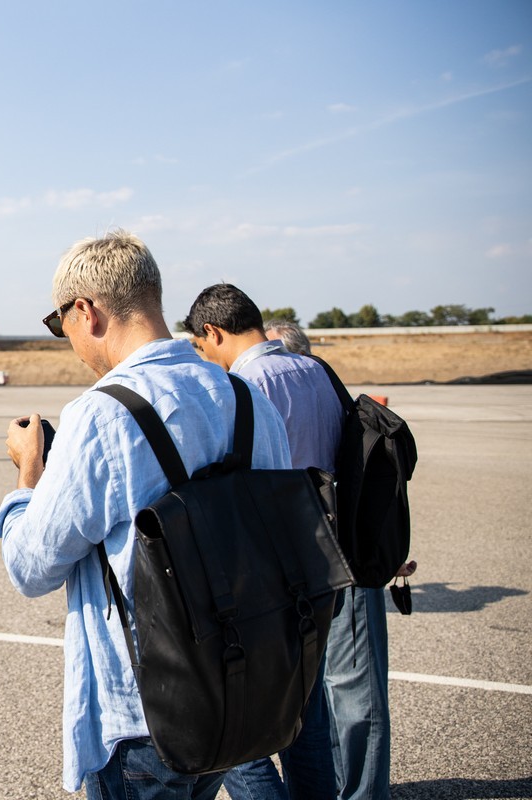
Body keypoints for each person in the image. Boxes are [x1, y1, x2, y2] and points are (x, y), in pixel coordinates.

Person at [0, 232, 292, 799]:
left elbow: (31, 567)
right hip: (240, 690)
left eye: (62, 325)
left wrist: (29, 472)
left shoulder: (101, 416)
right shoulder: (249, 400)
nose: (69, 341)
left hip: (146, 714)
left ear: (87, 311)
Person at [184, 284, 409, 800]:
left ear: (214, 333)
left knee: (258, 709)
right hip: (341, 554)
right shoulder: (319, 372)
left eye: (202, 345)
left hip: (279, 573)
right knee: (340, 701)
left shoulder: (242, 386)